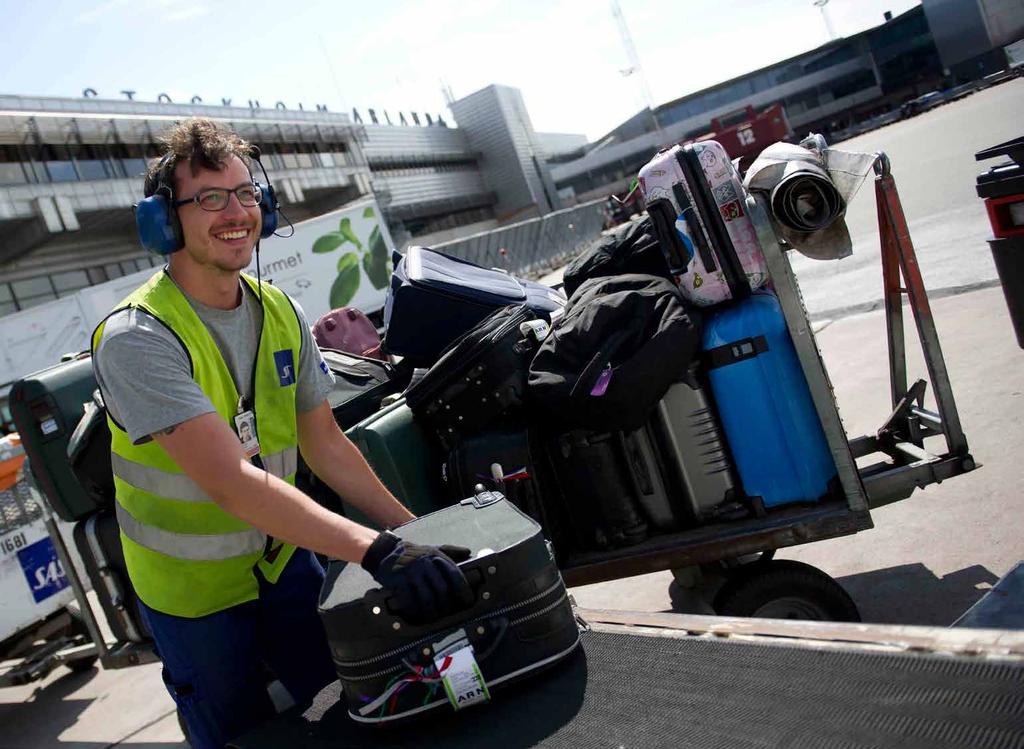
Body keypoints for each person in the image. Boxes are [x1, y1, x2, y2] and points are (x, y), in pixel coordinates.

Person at [92, 118, 472, 748]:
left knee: (347, 710)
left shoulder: (279, 310)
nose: (235, 212)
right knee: (241, 737)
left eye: (246, 195)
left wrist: (415, 534)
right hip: (194, 596)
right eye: (209, 198)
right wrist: (377, 553)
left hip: (281, 562)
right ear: (164, 222)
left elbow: (326, 446)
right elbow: (230, 484)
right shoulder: (139, 338)